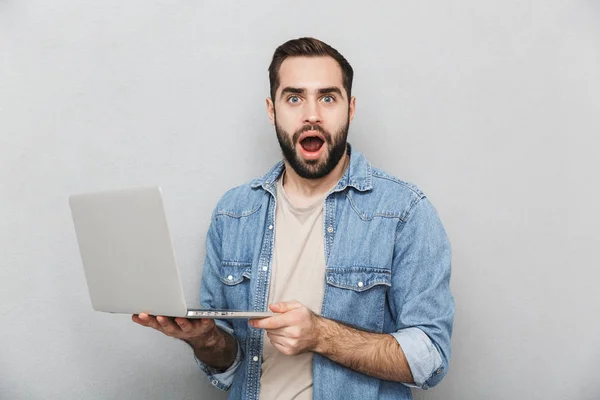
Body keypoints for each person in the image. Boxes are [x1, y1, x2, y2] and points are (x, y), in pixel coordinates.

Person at [132, 37, 454, 400]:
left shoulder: (405, 212)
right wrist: (205, 339)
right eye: (294, 98)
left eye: (328, 98)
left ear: (350, 109)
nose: (312, 114)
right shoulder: (233, 213)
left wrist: (320, 334)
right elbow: (230, 368)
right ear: (272, 110)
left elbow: (430, 359)